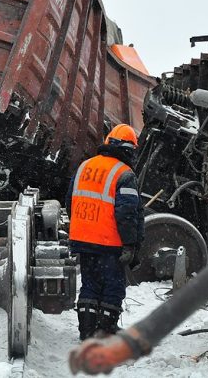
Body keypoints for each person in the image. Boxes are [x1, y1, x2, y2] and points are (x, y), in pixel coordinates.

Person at [65, 123, 145, 340]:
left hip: (83, 240)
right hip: (109, 242)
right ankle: (106, 330)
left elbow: (69, 202)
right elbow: (127, 213)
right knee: (113, 287)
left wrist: (82, 228)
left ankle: (87, 331)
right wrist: (130, 244)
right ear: (130, 149)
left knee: (90, 284)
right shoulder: (124, 174)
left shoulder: (85, 166)